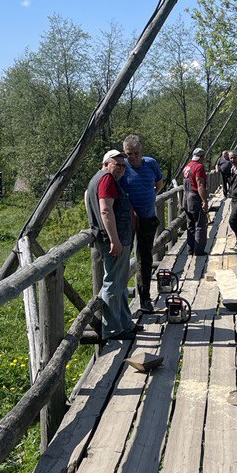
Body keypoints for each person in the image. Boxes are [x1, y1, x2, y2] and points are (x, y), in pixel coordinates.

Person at [84, 150, 136, 342]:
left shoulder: (97, 179)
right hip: (115, 240)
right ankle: (113, 330)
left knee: (119, 283)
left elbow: (87, 197)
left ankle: (125, 323)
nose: (121, 169)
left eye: (123, 166)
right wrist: (114, 239)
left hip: (116, 238)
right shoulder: (106, 179)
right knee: (113, 285)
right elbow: (105, 210)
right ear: (106, 164)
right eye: (117, 164)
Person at [120, 134, 163, 313]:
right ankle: (120, 303)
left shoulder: (151, 163)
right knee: (122, 259)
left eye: (136, 153)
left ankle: (144, 298)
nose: (133, 157)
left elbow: (159, 184)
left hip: (147, 217)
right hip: (128, 220)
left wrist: (150, 196)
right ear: (125, 152)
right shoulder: (121, 167)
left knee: (144, 258)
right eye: (129, 153)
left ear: (141, 151)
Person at [182, 146, 209, 256]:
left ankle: (190, 249)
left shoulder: (187, 167)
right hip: (194, 197)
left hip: (185, 197)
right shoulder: (199, 167)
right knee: (200, 224)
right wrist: (204, 201)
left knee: (190, 224)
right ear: (202, 157)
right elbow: (200, 184)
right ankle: (199, 251)